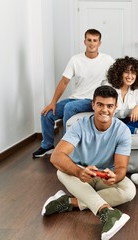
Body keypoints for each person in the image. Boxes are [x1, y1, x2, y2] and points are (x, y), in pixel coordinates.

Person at [41, 86, 136, 240]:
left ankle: (69, 202)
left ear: (115, 108)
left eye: (109, 106)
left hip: (105, 175)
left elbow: (121, 168)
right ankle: (107, 212)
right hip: (82, 174)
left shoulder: (122, 130)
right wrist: (79, 172)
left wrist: (115, 176)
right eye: (100, 105)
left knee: (129, 191)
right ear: (93, 105)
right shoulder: (79, 125)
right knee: (61, 171)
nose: (104, 110)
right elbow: (56, 156)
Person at [32, 29, 115, 158]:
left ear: (99, 43)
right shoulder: (76, 59)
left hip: (92, 100)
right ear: (84, 41)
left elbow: (117, 78)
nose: (92, 43)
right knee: (47, 114)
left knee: (69, 107)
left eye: (95, 40)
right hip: (75, 98)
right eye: (89, 40)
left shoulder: (107, 60)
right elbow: (64, 82)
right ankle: (47, 145)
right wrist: (52, 103)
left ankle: (66, 148)